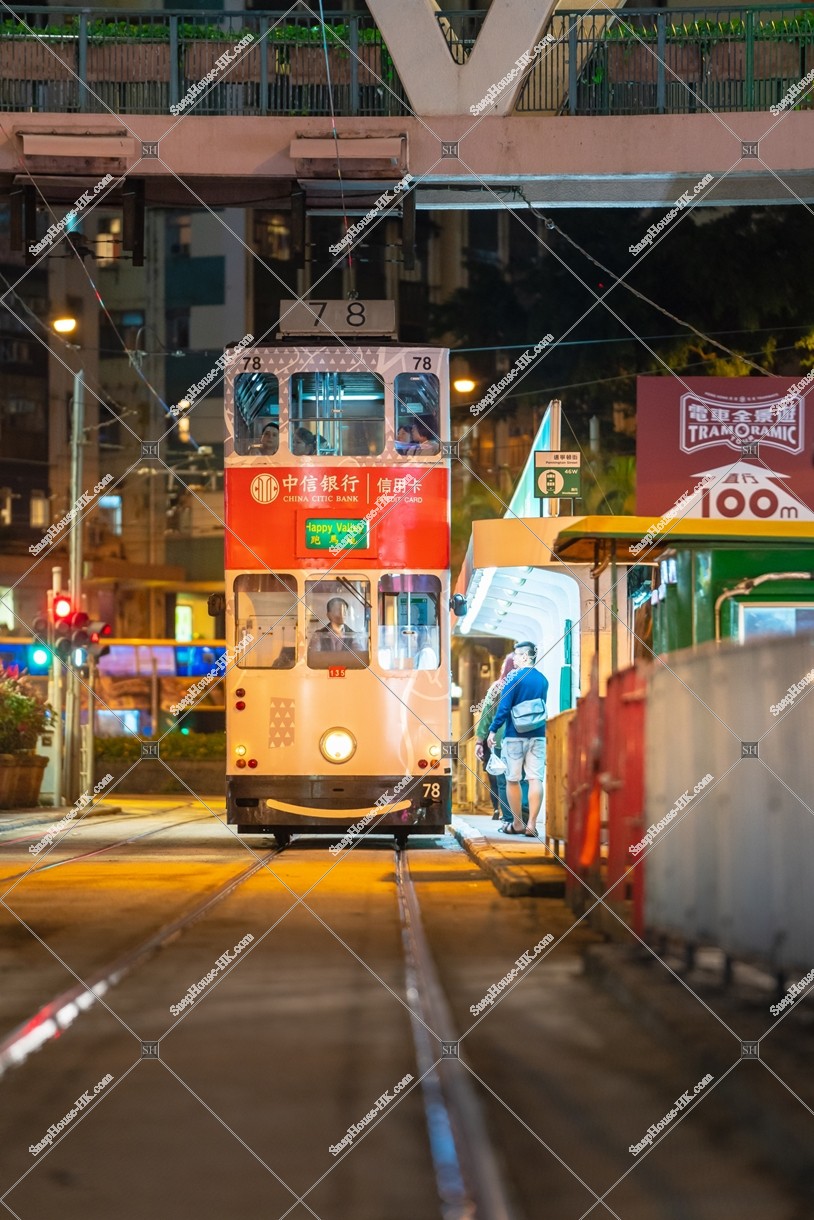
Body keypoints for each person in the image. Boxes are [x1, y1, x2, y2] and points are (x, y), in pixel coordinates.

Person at [487, 641, 548, 838]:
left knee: (513, 779)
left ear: (525, 656)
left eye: (516, 655)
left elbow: (504, 708)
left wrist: (492, 730)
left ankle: (517, 823)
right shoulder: (542, 680)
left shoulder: (514, 677)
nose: (513, 659)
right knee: (535, 779)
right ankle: (531, 824)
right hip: (538, 735)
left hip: (514, 737)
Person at [475, 653, 515, 822]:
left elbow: (486, 715)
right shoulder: (524, 684)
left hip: (499, 739)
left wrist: (479, 739)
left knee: (501, 780)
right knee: (520, 778)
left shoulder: (497, 687)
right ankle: (521, 816)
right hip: (522, 737)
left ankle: (505, 815)